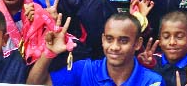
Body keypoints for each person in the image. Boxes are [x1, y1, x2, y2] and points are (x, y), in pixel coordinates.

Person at [29, 13, 165, 86]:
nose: (114, 47)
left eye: (123, 40)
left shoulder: (153, 82)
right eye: (109, 39)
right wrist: (49, 52)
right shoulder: (84, 70)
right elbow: (34, 84)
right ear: (102, 39)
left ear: (137, 43)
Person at [137, 11, 187, 86]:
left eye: (179, 37)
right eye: (166, 37)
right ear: (160, 39)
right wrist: (144, 67)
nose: (172, 42)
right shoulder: (151, 62)